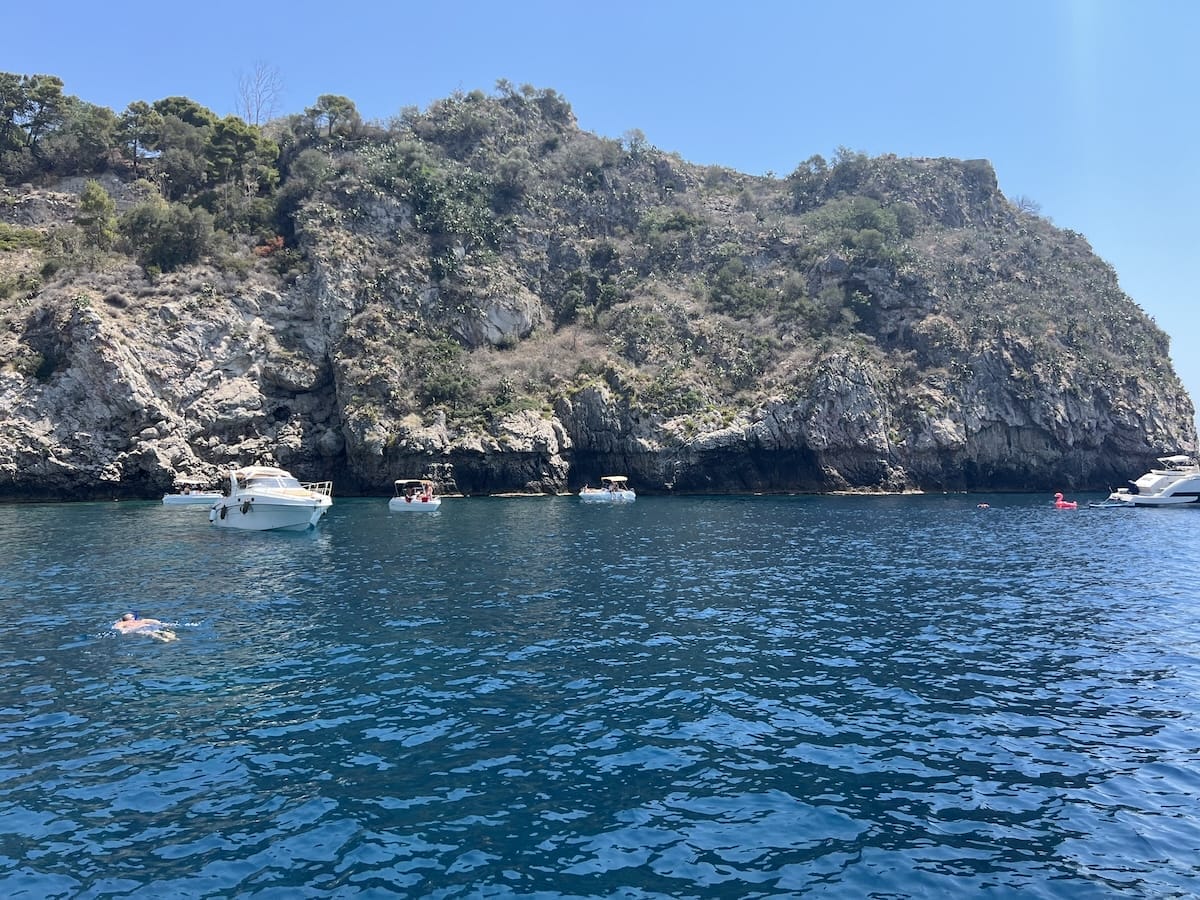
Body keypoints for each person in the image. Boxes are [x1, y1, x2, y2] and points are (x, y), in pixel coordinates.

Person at [113, 612, 178, 642]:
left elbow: (117, 628)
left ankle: (164, 640)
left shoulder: (122, 623)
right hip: (147, 626)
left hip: (138, 629)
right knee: (158, 631)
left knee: (149, 633)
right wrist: (164, 624)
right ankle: (174, 638)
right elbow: (156, 622)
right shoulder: (142, 620)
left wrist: (125, 631)